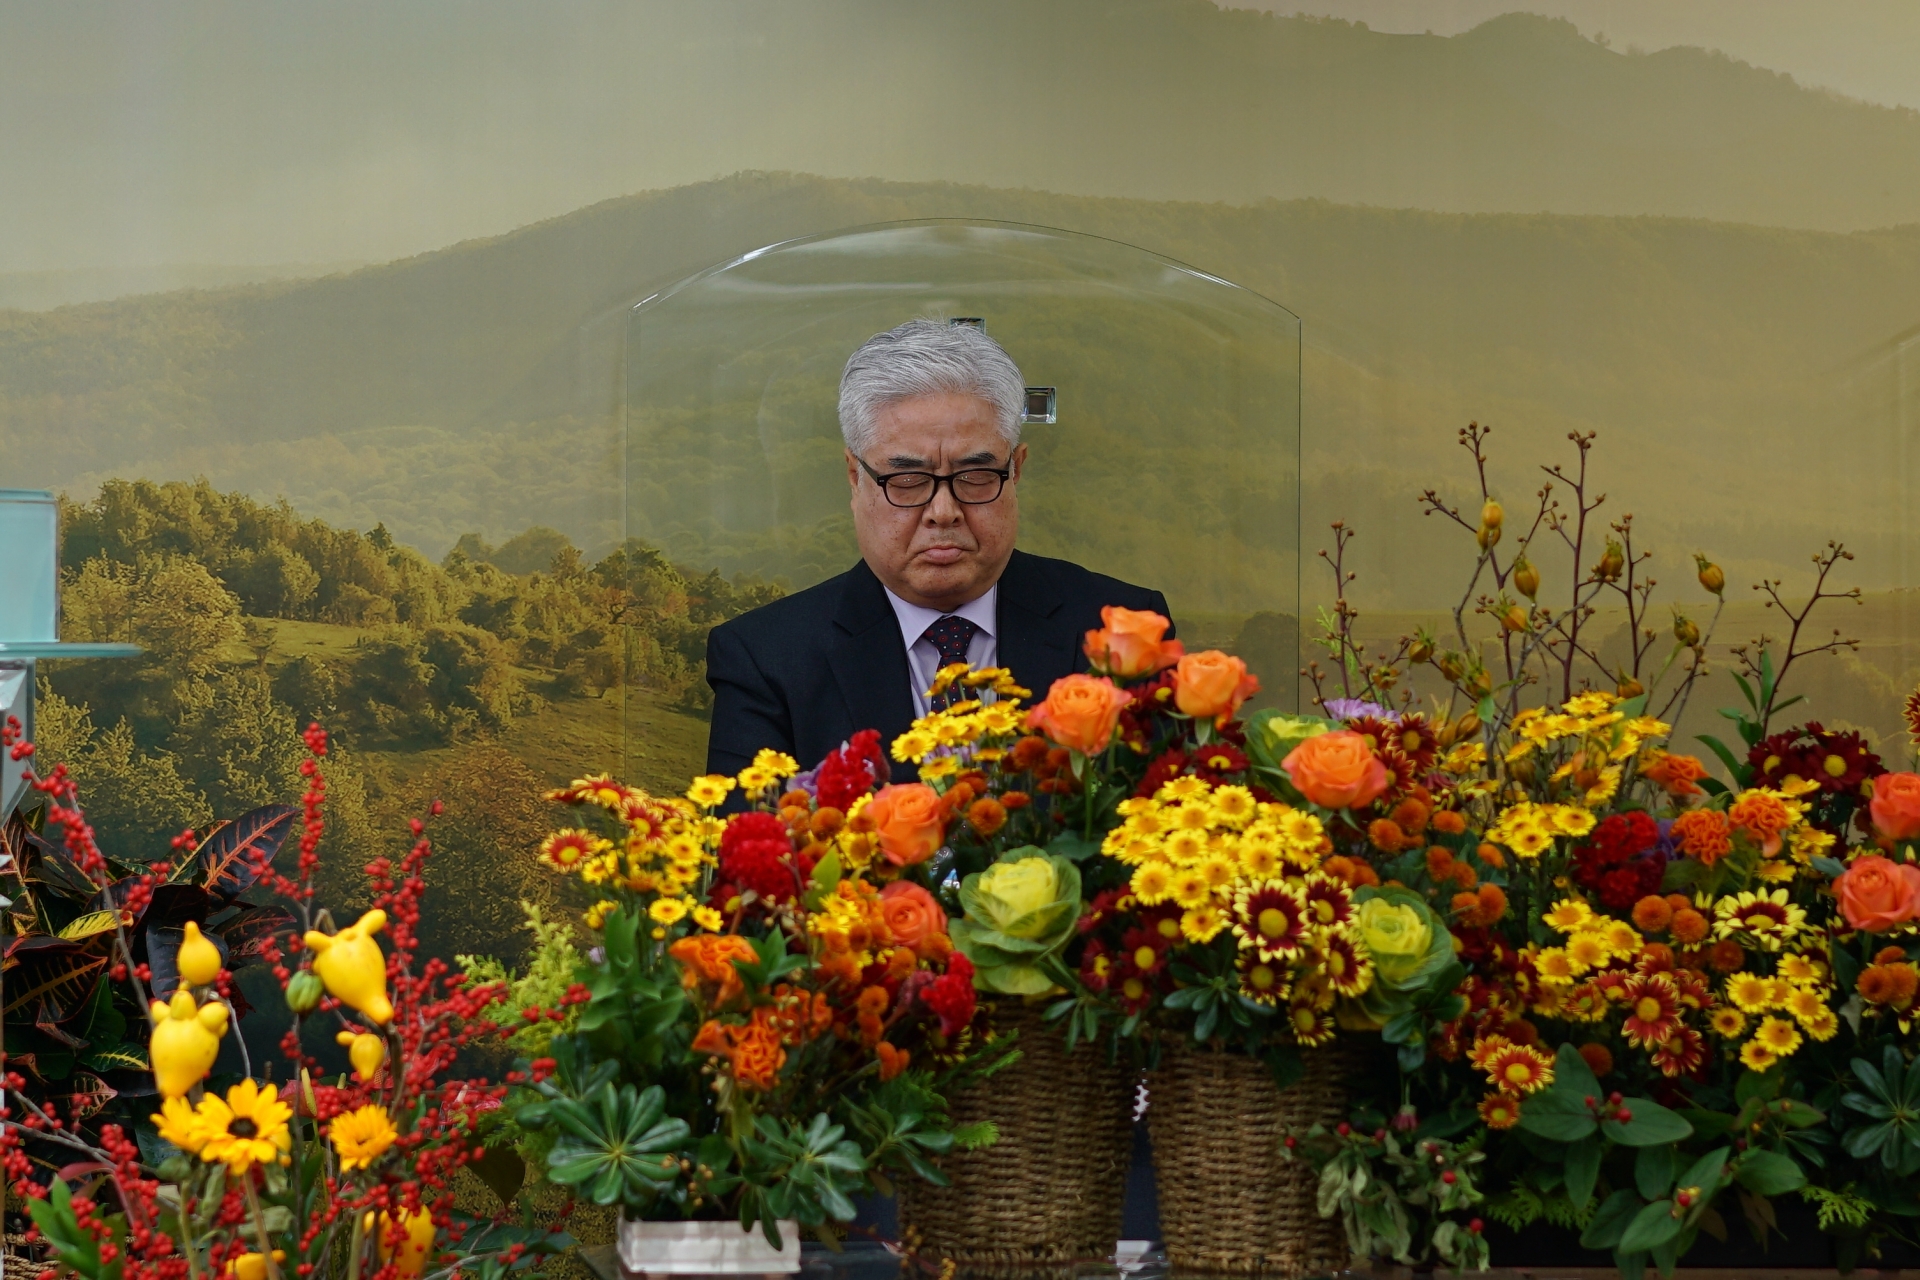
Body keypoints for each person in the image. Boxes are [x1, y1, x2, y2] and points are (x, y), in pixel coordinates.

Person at [705, 318, 1172, 779]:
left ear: (1016, 470)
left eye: (975, 476)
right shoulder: (765, 658)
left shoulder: (1122, 630)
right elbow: (752, 826)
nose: (943, 511)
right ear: (854, 477)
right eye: (908, 479)